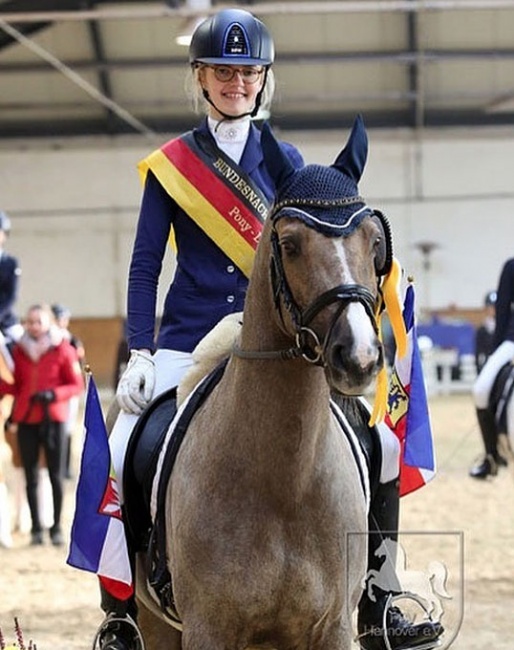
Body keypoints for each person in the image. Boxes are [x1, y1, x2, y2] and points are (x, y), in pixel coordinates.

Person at [96, 9, 442, 650]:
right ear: (200, 77)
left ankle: (378, 596)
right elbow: (147, 264)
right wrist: (142, 349)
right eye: (223, 71)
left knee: (383, 448)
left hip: (282, 338)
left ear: (263, 80)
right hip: (190, 337)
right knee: (120, 452)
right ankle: (122, 616)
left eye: (247, 72)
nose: (236, 83)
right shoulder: (173, 166)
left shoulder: (288, 163)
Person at [0, 304, 84, 546]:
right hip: (26, 419)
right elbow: (18, 385)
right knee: (30, 474)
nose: (34, 326)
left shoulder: (64, 350)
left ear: (48, 323)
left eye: (39, 321)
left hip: (53, 419)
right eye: (30, 321)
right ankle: (36, 528)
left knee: (56, 475)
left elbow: (76, 385)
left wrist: (53, 395)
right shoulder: (19, 351)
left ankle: (56, 527)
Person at [470, 260, 514, 479]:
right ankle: (491, 457)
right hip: (512, 342)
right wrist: (497, 350)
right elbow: (503, 310)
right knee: (480, 390)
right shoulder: (511, 267)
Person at [51, 303, 86, 479]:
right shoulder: (48, 340)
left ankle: (66, 466)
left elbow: (80, 364)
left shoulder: (72, 340)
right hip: (54, 390)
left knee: (68, 428)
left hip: (70, 389)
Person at [474, 290, 496, 374]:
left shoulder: (506, 328)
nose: (494, 310)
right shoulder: (482, 330)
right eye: (491, 307)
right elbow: (478, 352)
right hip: (488, 364)